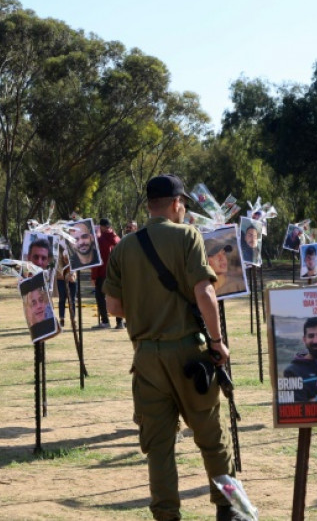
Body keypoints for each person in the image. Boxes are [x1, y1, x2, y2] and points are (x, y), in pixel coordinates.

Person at [103, 174, 244, 521]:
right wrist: (216, 341)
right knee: (212, 437)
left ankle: (166, 516)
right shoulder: (187, 236)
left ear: (149, 206)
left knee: (159, 449)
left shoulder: (124, 247)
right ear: (177, 203)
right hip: (189, 355)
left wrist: (145, 308)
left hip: (146, 359)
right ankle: (228, 510)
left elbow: (113, 308)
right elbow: (204, 292)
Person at [92, 218, 122, 329]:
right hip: (117, 273)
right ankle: (119, 322)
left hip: (102, 273)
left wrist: (94, 276)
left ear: (103, 227)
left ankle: (105, 321)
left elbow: (97, 260)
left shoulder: (100, 241)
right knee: (117, 296)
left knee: (100, 297)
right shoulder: (118, 239)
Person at [55, 250, 77, 326]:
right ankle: (62, 319)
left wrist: (72, 275)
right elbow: (59, 272)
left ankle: (73, 319)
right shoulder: (59, 259)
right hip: (61, 281)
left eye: (68, 259)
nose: (66, 260)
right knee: (62, 299)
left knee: (72, 300)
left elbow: (74, 273)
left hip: (72, 281)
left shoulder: (73, 258)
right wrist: (65, 275)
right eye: (65, 258)